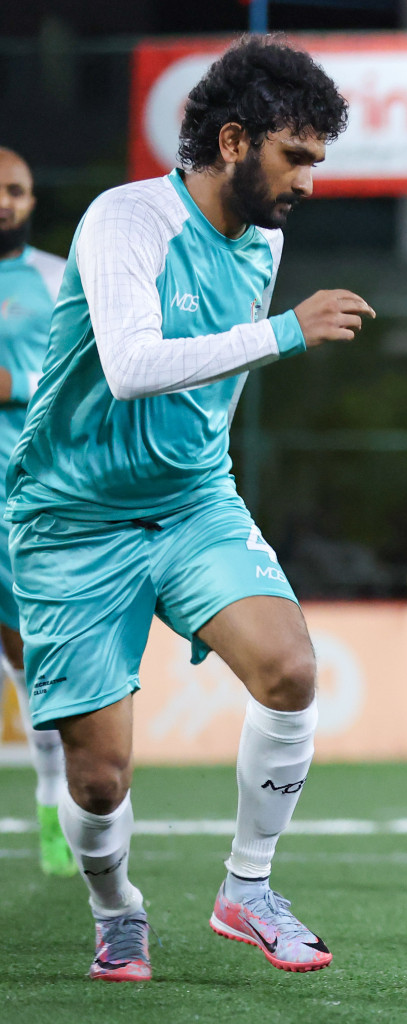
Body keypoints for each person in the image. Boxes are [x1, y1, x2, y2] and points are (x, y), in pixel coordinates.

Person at [7, 36, 371, 982]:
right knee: (98, 779)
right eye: (298, 157)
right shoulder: (127, 220)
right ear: (235, 139)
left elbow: (225, 374)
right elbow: (130, 366)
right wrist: (289, 331)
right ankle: (114, 905)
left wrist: (206, 464)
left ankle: (246, 888)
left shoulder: (266, 241)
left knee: (291, 671)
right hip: (72, 520)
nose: (308, 181)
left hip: (191, 503)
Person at [0, 146, 73, 877]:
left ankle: (53, 800)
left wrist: (14, 380)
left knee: (31, 664)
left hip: (24, 504)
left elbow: (90, 370)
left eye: (15, 189)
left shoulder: (58, 278)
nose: (3, 200)